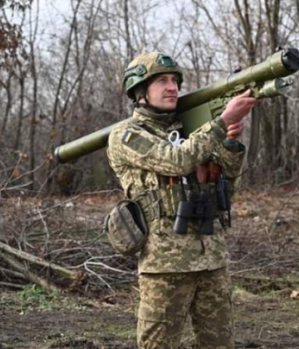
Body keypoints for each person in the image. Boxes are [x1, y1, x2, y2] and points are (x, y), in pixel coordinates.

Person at [106, 51, 256, 349]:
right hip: (165, 266)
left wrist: (229, 142)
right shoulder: (126, 135)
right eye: (162, 80)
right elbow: (175, 161)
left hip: (211, 259)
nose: (172, 87)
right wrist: (221, 122)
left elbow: (226, 185)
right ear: (140, 91)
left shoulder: (194, 130)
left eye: (175, 80)